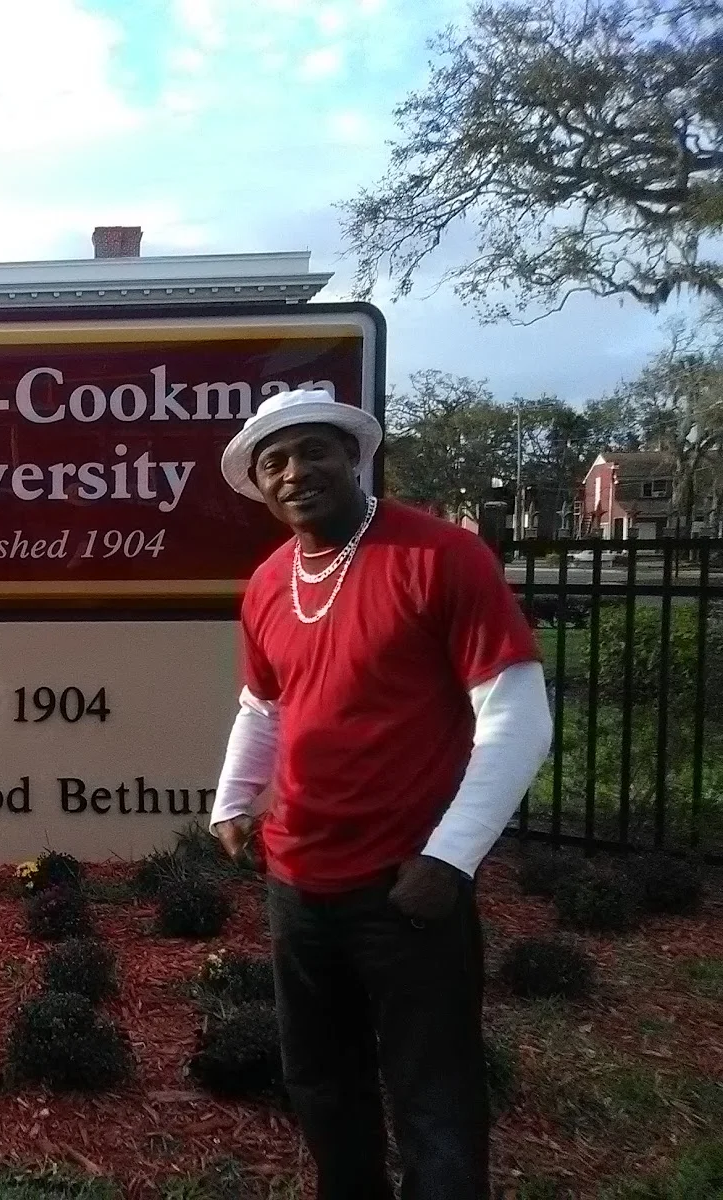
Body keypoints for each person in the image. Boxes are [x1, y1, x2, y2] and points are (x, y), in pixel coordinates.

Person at [208, 390, 554, 1200]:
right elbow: (265, 705)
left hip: (406, 884)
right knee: (321, 1079)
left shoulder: (440, 556)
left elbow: (517, 715)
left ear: (353, 457)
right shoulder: (269, 583)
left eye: (314, 451)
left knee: (434, 1093)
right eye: (274, 462)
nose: (296, 473)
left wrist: (450, 859)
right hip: (297, 880)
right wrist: (233, 799)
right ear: (259, 485)